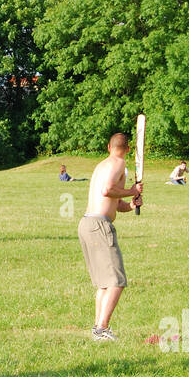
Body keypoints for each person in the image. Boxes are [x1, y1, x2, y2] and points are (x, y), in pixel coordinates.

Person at [78, 133, 142, 341]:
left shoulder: (102, 165)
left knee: (104, 283)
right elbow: (108, 191)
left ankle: (98, 327)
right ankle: (102, 329)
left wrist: (131, 204)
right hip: (98, 226)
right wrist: (131, 190)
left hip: (88, 223)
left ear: (108, 146)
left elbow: (114, 202)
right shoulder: (118, 164)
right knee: (116, 281)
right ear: (129, 149)